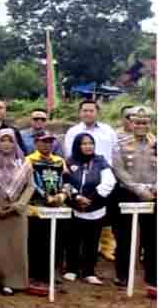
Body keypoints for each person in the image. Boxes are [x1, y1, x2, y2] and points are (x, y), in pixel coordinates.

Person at [62, 100, 119, 262]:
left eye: (91, 110)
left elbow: (115, 153)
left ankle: (104, 249)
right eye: (85, 110)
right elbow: (68, 156)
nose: (88, 113)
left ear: (97, 112)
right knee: (76, 223)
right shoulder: (73, 131)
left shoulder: (108, 130)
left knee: (104, 219)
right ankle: (74, 259)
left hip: (103, 180)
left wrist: (100, 188)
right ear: (80, 113)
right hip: (78, 179)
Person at [0, 128, 34, 295]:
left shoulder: (24, 161)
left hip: (17, 213)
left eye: (10, 140)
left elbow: (30, 186)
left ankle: (13, 282)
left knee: (15, 248)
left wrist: (19, 204)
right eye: (2, 140)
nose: (6, 144)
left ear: (15, 142)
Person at [110, 107, 156, 288]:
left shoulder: (156, 144)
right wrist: (137, 188)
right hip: (127, 193)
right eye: (137, 122)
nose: (140, 126)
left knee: (152, 237)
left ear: (150, 124)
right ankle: (123, 275)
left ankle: (152, 276)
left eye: (145, 122)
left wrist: (154, 188)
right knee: (124, 237)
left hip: (153, 195)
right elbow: (119, 170)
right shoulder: (121, 143)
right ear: (131, 123)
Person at [62, 132, 116, 285]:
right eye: (84, 143)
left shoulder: (100, 161)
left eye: (90, 143)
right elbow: (65, 181)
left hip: (96, 207)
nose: (88, 146)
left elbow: (109, 181)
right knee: (72, 240)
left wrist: (91, 198)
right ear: (78, 146)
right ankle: (71, 269)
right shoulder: (69, 161)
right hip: (74, 207)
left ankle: (89, 272)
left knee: (92, 241)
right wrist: (77, 197)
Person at [26, 133, 69, 284]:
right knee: (37, 240)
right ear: (36, 143)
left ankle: (53, 270)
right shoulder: (29, 160)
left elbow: (67, 180)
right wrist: (45, 196)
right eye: (43, 142)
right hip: (37, 205)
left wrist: (63, 194)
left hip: (58, 205)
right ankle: (34, 273)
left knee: (58, 239)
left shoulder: (59, 161)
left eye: (50, 142)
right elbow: (30, 182)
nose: (47, 145)